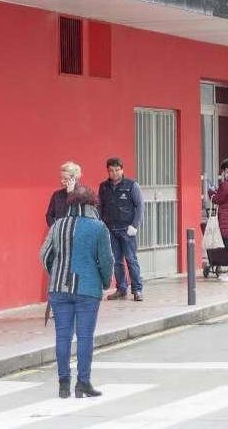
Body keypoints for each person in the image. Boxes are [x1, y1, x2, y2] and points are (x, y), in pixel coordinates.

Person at [40, 186, 113, 399]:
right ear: (92, 205)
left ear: (70, 204)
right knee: (84, 337)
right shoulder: (99, 228)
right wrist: (105, 282)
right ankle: (83, 383)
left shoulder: (57, 225)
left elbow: (44, 254)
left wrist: (55, 272)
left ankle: (63, 385)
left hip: (58, 289)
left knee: (62, 336)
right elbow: (106, 260)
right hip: (87, 289)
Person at [99, 158, 145, 301]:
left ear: (122, 170)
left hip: (127, 229)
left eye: (117, 170)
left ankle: (137, 290)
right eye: (111, 170)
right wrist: (101, 224)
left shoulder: (131, 185)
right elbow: (100, 206)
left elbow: (140, 206)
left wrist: (135, 225)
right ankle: (121, 288)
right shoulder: (103, 187)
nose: (114, 173)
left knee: (131, 259)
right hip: (110, 229)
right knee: (116, 261)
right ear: (108, 171)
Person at [45, 161, 82, 227]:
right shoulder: (57, 195)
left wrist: (71, 193)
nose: (61, 181)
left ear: (74, 179)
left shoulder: (83, 195)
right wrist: (55, 228)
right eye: (61, 178)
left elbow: (78, 213)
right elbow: (49, 215)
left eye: (65, 178)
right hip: (60, 233)